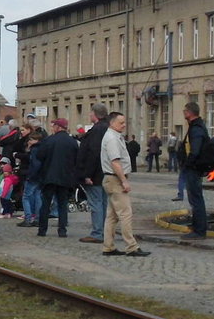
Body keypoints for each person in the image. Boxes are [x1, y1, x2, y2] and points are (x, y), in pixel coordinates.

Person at [101, 112, 149, 257]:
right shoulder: (112, 138)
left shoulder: (115, 136)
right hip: (115, 179)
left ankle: (108, 246)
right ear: (112, 123)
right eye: (121, 122)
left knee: (112, 216)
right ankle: (131, 246)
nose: (124, 125)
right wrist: (124, 181)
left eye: (124, 122)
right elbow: (115, 162)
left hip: (111, 178)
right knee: (125, 214)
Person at [35, 118, 78, 238]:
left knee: (45, 203)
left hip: (49, 176)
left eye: (53, 126)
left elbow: (39, 155)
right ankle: (62, 230)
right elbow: (76, 160)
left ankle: (42, 230)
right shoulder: (72, 142)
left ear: (58, 127)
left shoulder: (49, 140)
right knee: (62, 204)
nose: (52, 128)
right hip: (65, 177)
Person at [76, 102, 109, 245]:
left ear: (95, 114)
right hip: (105, 172)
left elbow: (94, 153)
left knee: (96, 204)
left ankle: (97, 233)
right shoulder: (107, 128)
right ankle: (104, 231)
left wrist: (87, 174)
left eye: (91, 112)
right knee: (103, 203)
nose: (89, 114)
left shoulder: (97, 130)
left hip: (95, 174)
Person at [181, 102, 209, 239]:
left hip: (194, 168)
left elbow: (195, 150)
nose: (183, 113)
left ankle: (199, 230)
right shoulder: (196, 126)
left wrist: (188, 164)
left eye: (185, 111)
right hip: (195, 167)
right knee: (195, 198)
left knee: (196, 199)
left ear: (189, 112)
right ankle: (197, 227)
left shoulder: (196, 128)